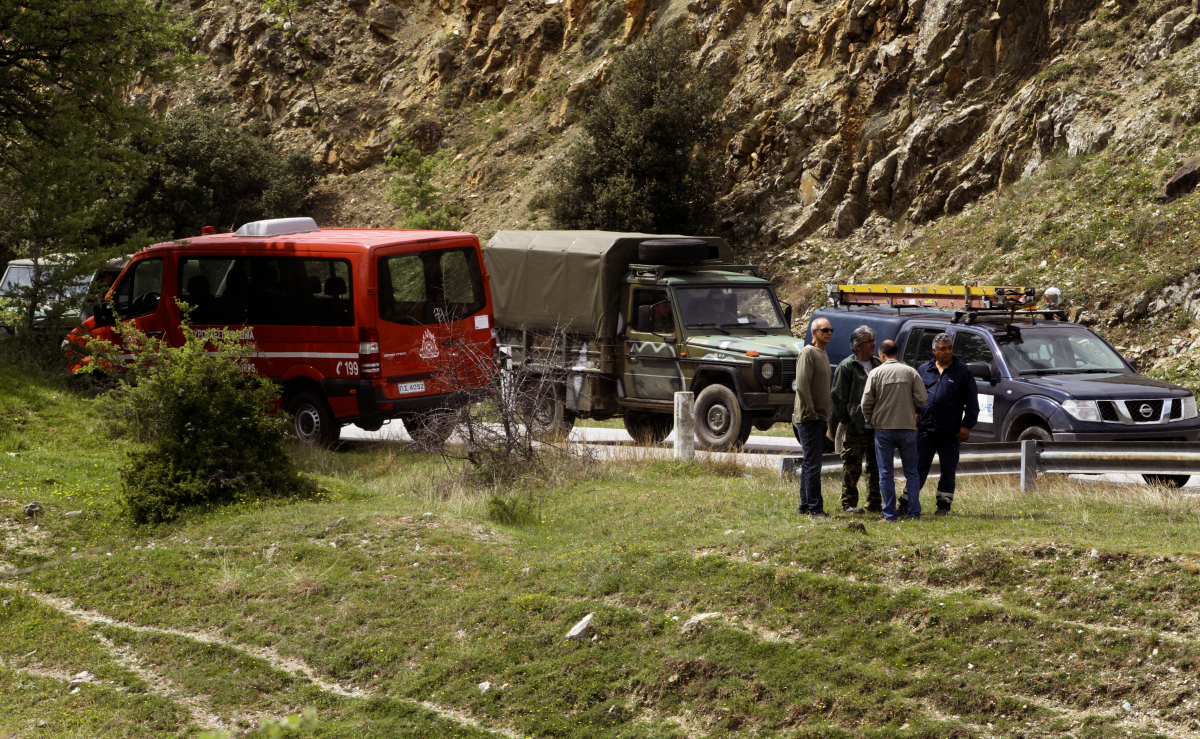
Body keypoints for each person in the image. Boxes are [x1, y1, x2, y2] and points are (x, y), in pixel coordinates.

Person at [912, 332, 979, 516]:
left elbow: (972, 402)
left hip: (951, 432)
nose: (947, 352)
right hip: (926, 429)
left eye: (949, 348)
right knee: (918, 466)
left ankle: (943, 504)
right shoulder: (923, 370)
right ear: (934, 350)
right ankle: (909, 502)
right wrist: (916, 413)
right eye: (943, 349)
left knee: (948, 468)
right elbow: (915, 396)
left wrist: (967, 425)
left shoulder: (962, 371)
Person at [861, 339, 927, 521]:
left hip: (883, 429)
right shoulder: (910, 372)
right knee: (912, 472)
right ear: (897, 353)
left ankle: (889, 514)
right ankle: (914, 513)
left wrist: (871, 420)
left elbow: (865, 403)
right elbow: (922, 398)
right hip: (906, 427)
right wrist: (908, 405)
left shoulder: (875, 373)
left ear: (881, 354)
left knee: (886, 473)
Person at [830, 325, 881, 514]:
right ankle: (849, 504)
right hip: (856, 426)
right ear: (858, 345)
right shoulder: (847, 366)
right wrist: (847, 420)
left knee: (875, 468)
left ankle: (874, 504)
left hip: (876, 426)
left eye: (873, 341)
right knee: (852, 467)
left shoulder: (878, 364)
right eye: (869, 342)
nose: (873, 345)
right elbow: (838, 396)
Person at [794, 317, 833, 517]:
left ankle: (805, 506)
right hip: (810, 419)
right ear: (814, 332)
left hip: (820, 418)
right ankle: (816, 509)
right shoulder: (808, 352)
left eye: (830, 330)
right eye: (824, 329)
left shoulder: (822, 353)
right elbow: (802, 385)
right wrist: (811, 414)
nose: (828, 332)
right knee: (813, 465)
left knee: (811, 462)